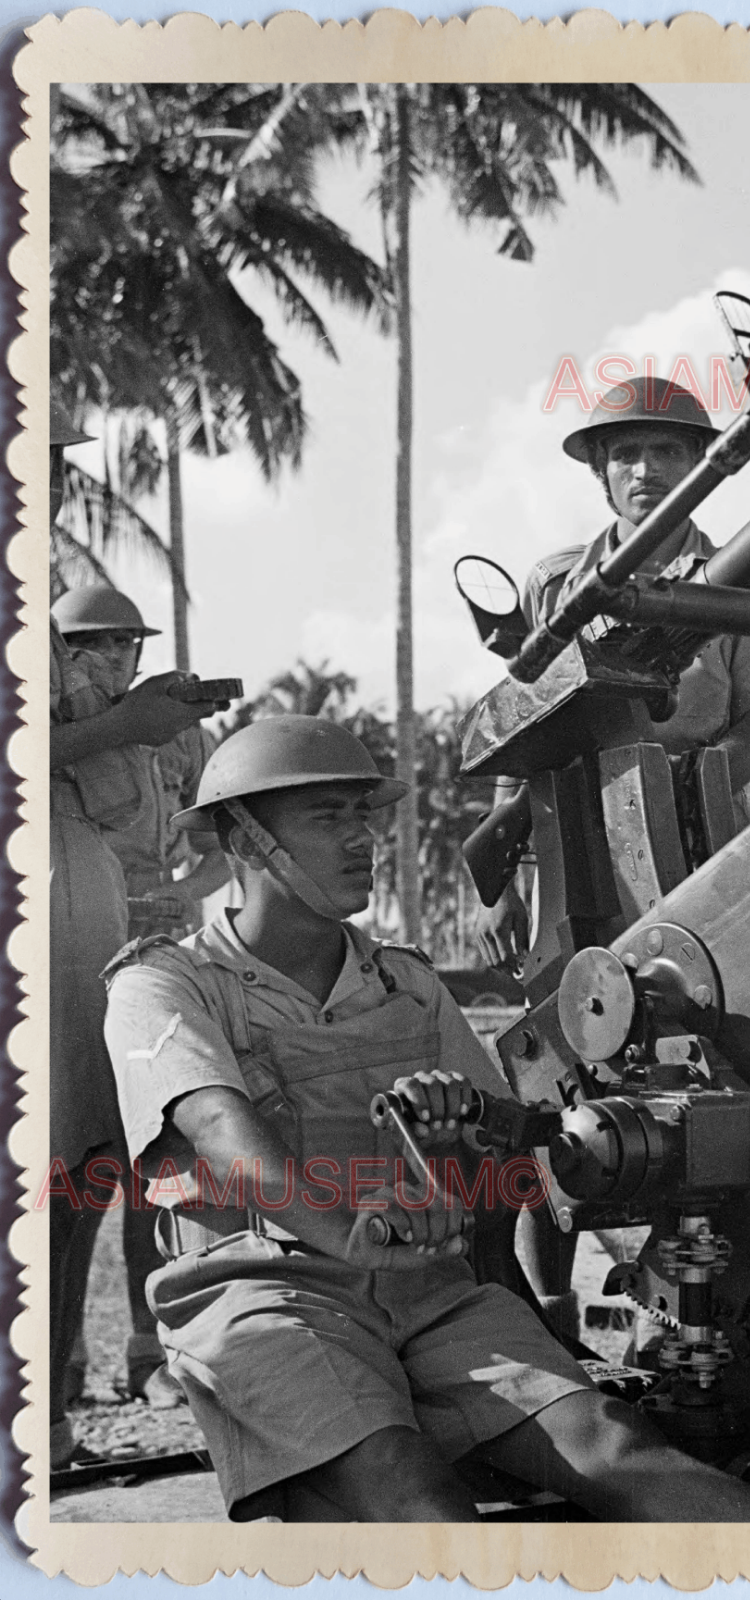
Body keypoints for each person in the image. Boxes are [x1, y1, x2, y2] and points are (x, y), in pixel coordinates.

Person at [102, 715, 750, 1523]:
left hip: (428, 1290)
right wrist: (348, 1230)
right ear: (246, 839)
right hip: (265, 1291)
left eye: (362, 815)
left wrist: (452, 1139)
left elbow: (492, 1164)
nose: (361, 839)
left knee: (620, 1451)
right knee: (414, 1498)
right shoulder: (165, 983)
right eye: (328, 818)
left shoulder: (405, 983)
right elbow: (221, 1132)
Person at [473, 377, 750, 1338]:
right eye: (625, 453)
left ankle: (700, 1301)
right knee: (548, 1067)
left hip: (691, 824)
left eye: (665, 452)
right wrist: (502, 869)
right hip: (566, 829)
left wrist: (685, 798)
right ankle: (545, 1307)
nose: (644, 470)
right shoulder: (554, 581)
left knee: (702, 1053)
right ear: (598, 471)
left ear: (696, 467)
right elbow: (521, 725)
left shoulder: (745, 568)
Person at [48, 408, 223, 1465]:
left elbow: (216, 840)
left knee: (111, 1157)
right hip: (62, 905)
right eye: (95, 645)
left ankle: (95, 1371)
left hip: (108, 918)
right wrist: (124, 725)